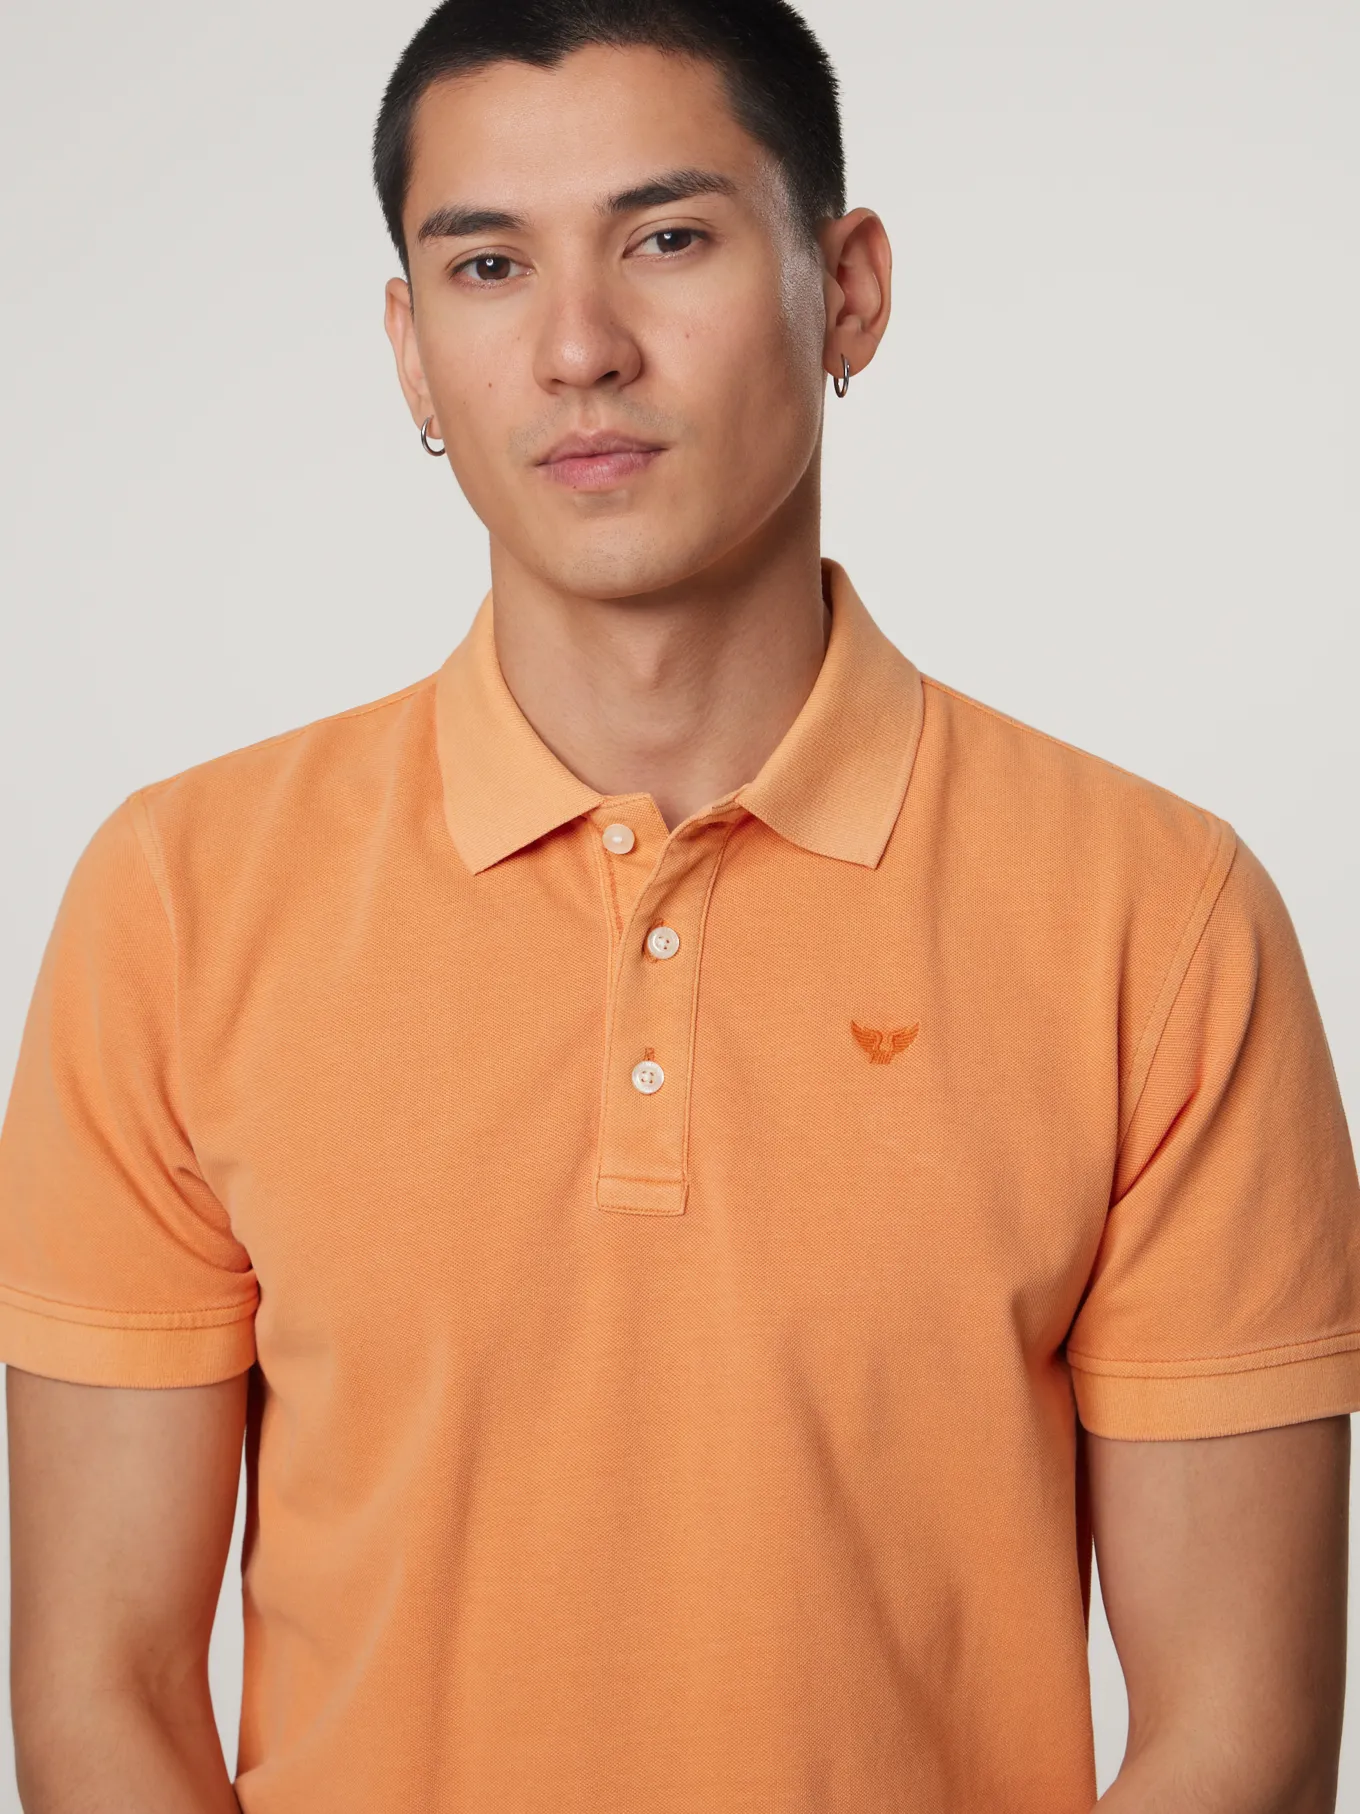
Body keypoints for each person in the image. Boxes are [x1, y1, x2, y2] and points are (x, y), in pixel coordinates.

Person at [2, 2, 1356, 1809]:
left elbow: (1239, 1735)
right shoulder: (177, 902)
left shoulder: (1158, 918)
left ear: (848, 290)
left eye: (666, 239)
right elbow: (101, 1692)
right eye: (488, 265)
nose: (579, 347)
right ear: (411, 353)